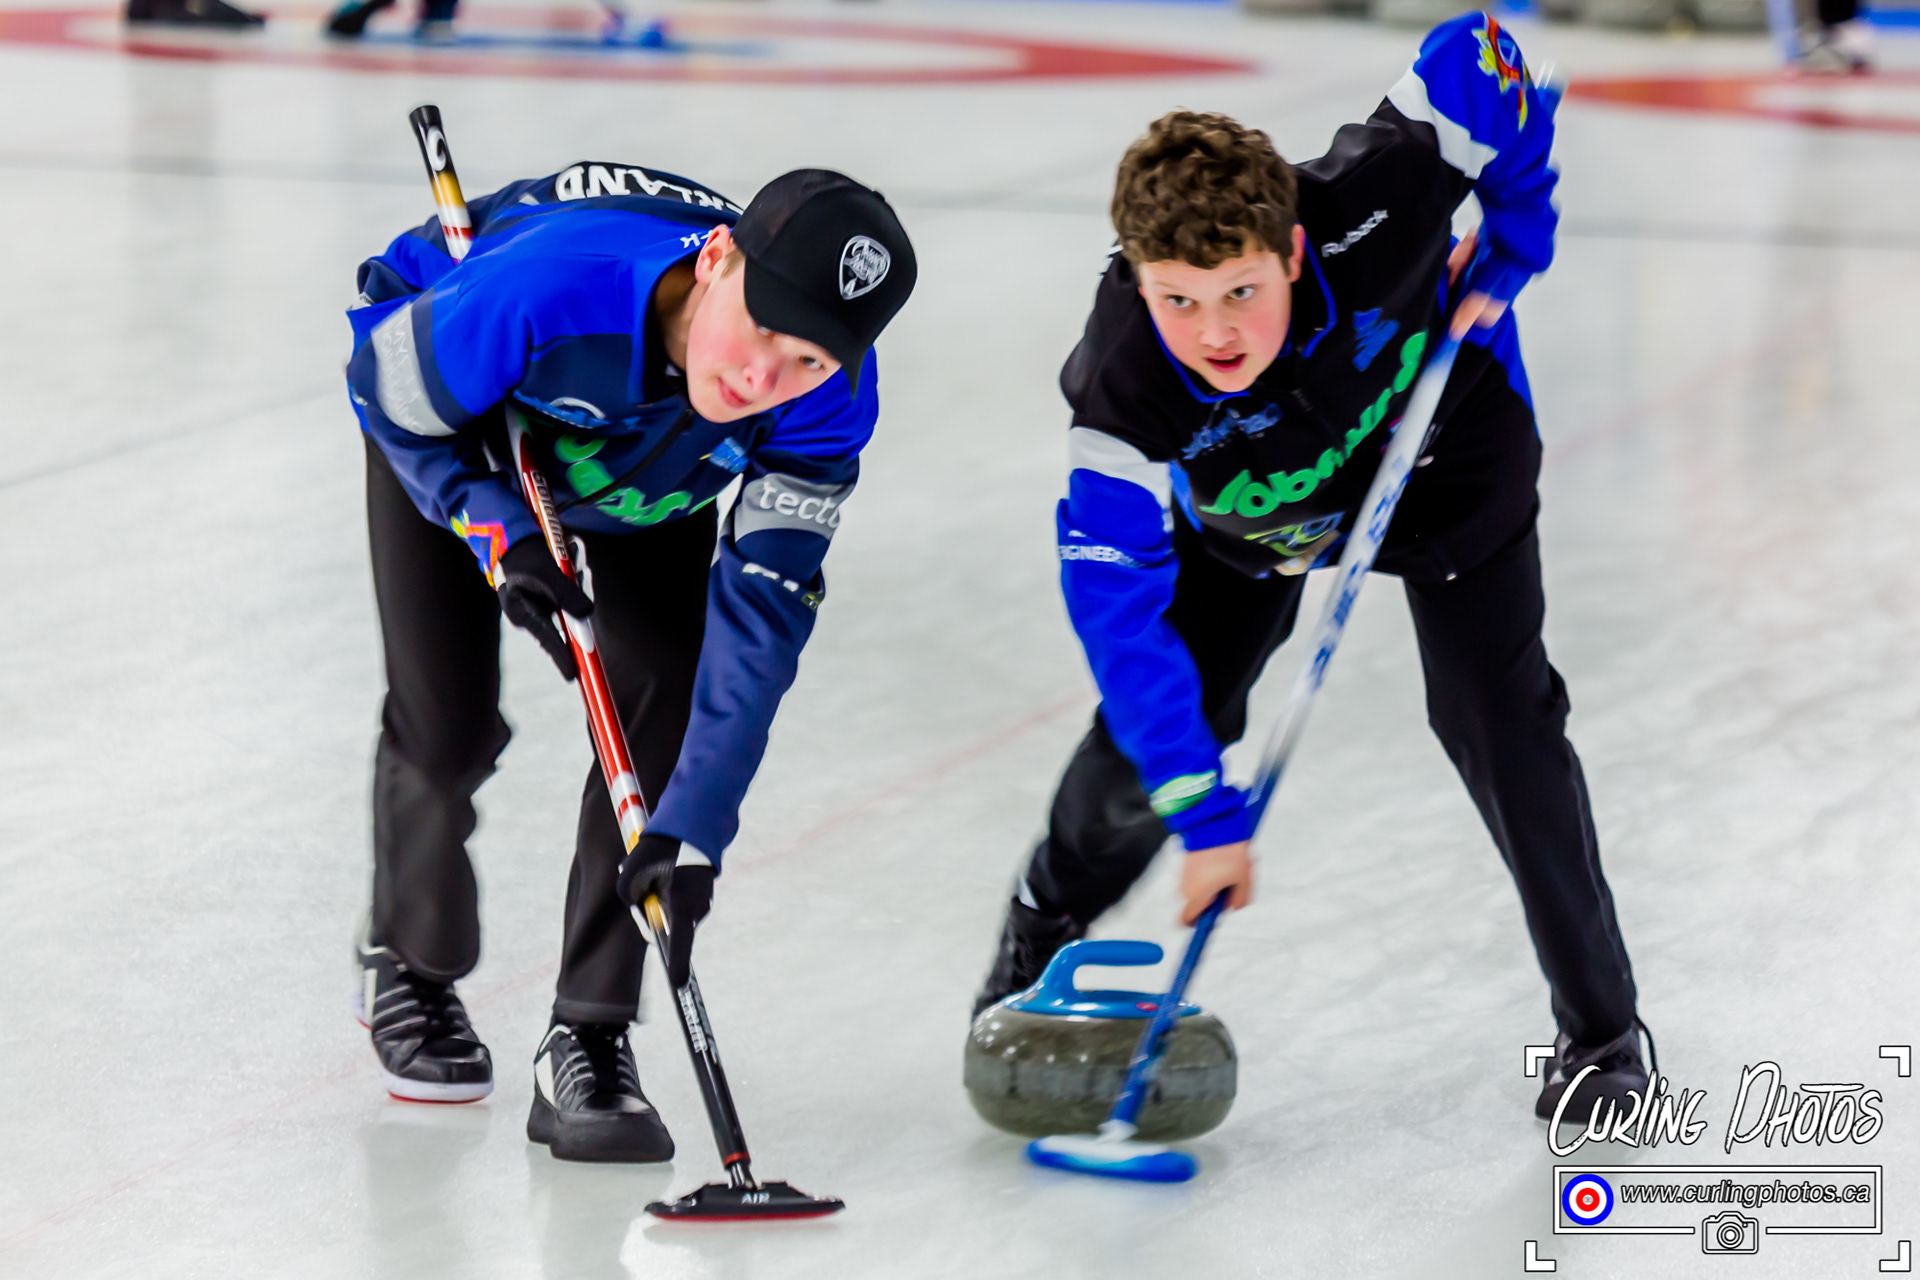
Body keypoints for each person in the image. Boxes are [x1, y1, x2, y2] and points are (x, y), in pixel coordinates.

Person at [972, 14, 1650, 1126]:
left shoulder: (1380, 194)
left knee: (1501, 722)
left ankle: (1604, 1031)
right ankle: (1043, 925)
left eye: (1241, 290)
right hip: (1259, 518)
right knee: (1156, 733)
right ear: (1139, 278)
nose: (1214, 334)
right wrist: (1201, 807)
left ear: (1291, 249)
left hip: (1444, 457)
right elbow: (1116, 613)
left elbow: (1489, 53)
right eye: (1178, 300)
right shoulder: (1121, 382)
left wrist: (1518, 235)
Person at [345, 160, 915, 1161]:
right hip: (462, 428)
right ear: (716, 258)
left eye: (809, 358)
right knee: (450, 724)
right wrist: (496, 528)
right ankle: (409, 955)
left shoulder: (825, 405)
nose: (764, 379)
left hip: (657, 470)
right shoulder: (548, 291)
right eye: (762, 328)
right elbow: (384, 386)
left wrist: (696, 826)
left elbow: (763, 619)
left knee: (665, 708)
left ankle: (589, 1031)